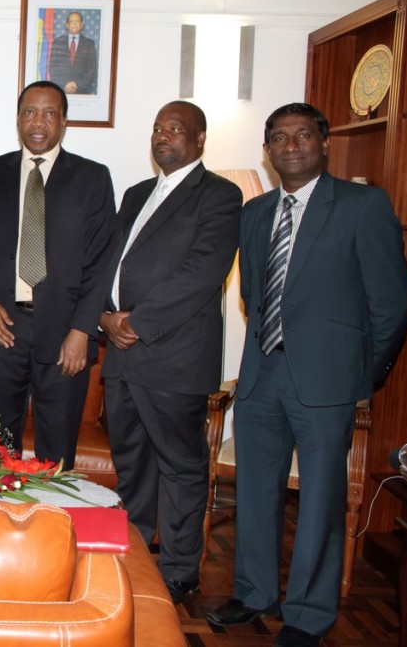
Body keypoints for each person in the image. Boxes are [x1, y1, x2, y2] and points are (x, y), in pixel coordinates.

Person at [206, 103, 407, 647]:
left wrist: (358, 375)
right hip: (261, 377)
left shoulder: (362, 205)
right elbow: (254, 294)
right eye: (278, 137)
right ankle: (253, 593)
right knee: (254, 493)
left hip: (328, 384)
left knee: (321, 500)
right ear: (267, 151)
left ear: (323, 143)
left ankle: (307, 614)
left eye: (301, 135)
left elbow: (392, 304)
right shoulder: (254, 213)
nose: (289, 145)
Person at [100, 101, 242, 605]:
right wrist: (102, 316)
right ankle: (134, 559)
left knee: (181, 466)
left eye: (176, 129)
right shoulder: (137, 193)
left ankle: (180, 572)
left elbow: (201, 274)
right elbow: (107, 265)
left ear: (200, 139)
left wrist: (135, 323)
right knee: (132, 463)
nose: (164, 136)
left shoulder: (221, 196)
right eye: (158, 128)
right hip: (121, 356)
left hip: (172, 356)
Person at [0, 81, 117, 465]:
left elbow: (102, 262)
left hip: (65, 331)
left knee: (56, 456)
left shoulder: (93, 178)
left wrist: (82, 331)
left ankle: (54, 523)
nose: (39, 122)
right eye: (30, 112)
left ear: (64, 121)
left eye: (50, 113)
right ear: (18, 119)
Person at [48, 12, 98, 95]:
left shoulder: (89, 44)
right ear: (67, 25)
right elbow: (53, 68)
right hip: (61, 92)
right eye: (72, 21)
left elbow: (91, 70)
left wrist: (77, 85)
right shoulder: (57, 42)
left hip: (82, 92)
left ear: (82, 24)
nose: (74, 23)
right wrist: (65, 85)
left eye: (77, 21)